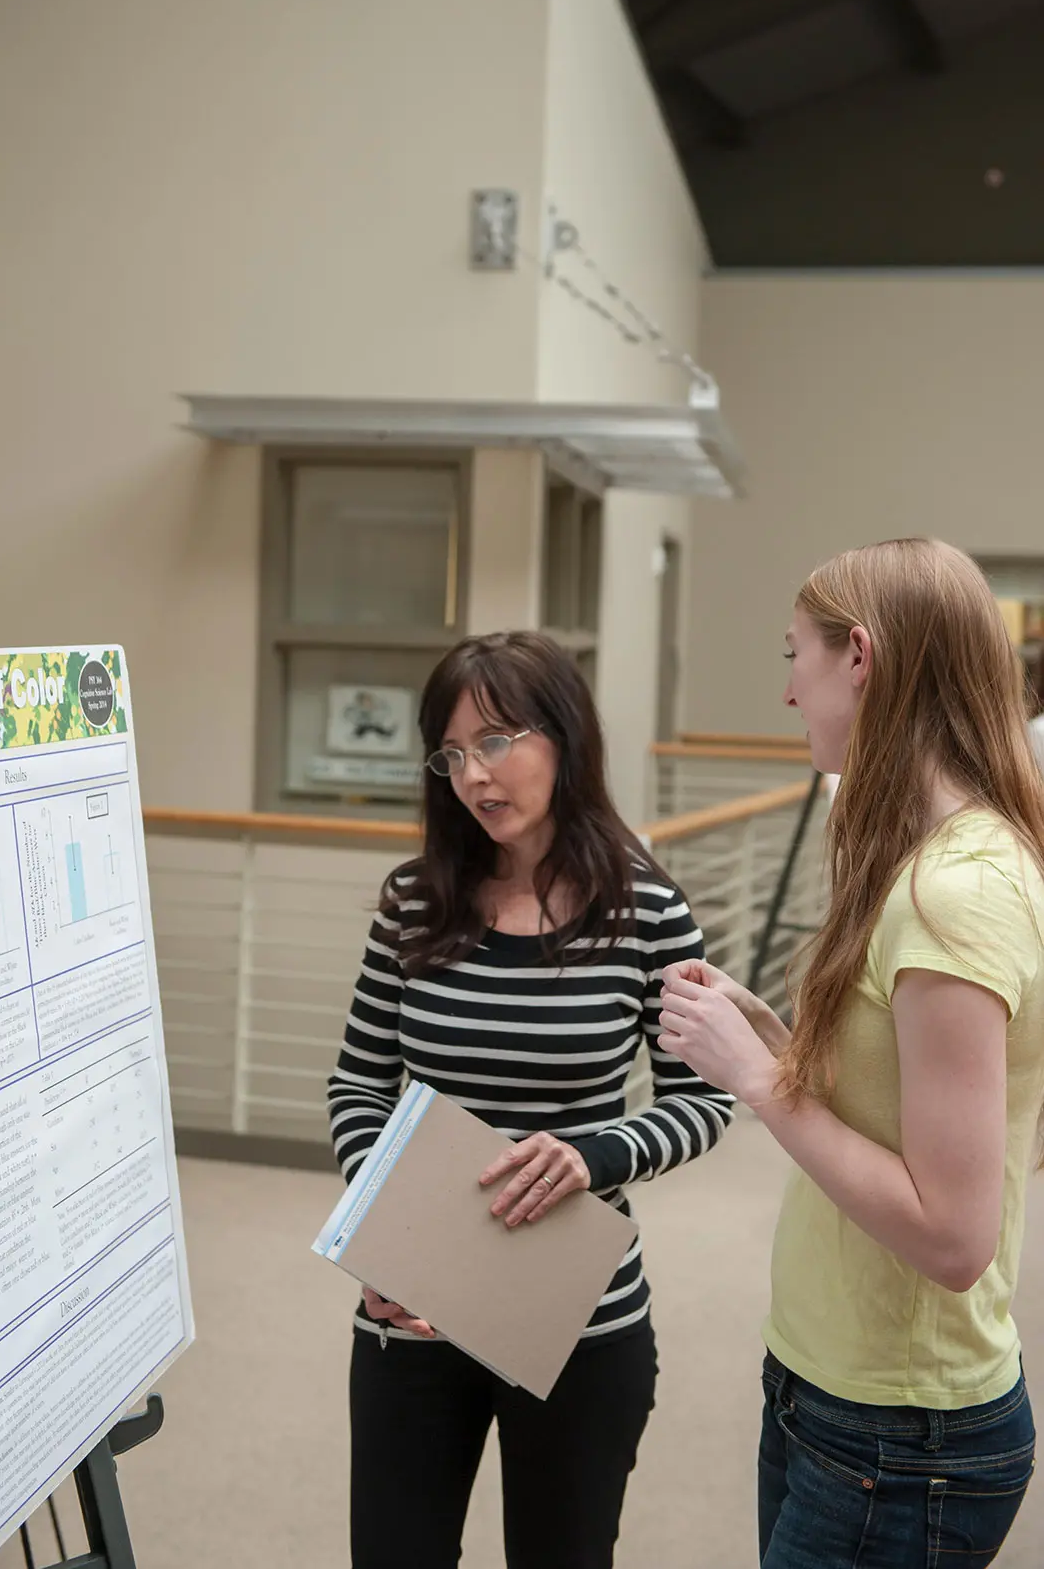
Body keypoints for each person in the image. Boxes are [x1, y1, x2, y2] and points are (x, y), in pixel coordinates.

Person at [659, 539, 1044, 1569]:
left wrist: (751, 1081)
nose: (788, 691)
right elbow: (895, 1108)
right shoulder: (924, 859)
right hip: (828, 1385)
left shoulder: (955, 894)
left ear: (860, 658)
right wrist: (775, 1043)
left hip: (898, 1430)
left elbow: (952, 1235)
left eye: (796, 656)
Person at [328, 631, 734, 1569]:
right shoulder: (413, 902)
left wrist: (590, 1156)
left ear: (566, 739)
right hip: (414, 1305)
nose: (476, 775)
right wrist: (378, 1214)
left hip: (580, 1318)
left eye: (499, 740)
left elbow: (705, 1102)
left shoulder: (648, 910)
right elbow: (358, 1079)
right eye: (454, 753)